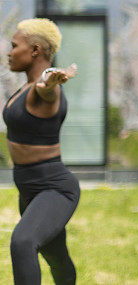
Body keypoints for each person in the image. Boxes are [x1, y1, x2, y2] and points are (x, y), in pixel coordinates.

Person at [4, 18, 80, 284]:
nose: (9, 52)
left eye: (14, 46)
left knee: (23, 242)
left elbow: (46, 86)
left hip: (54, 188)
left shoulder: (46, 89)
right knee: (56, 256)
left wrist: (50, 81)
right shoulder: (23, 88)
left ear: (35, 50)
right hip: (29, 190)